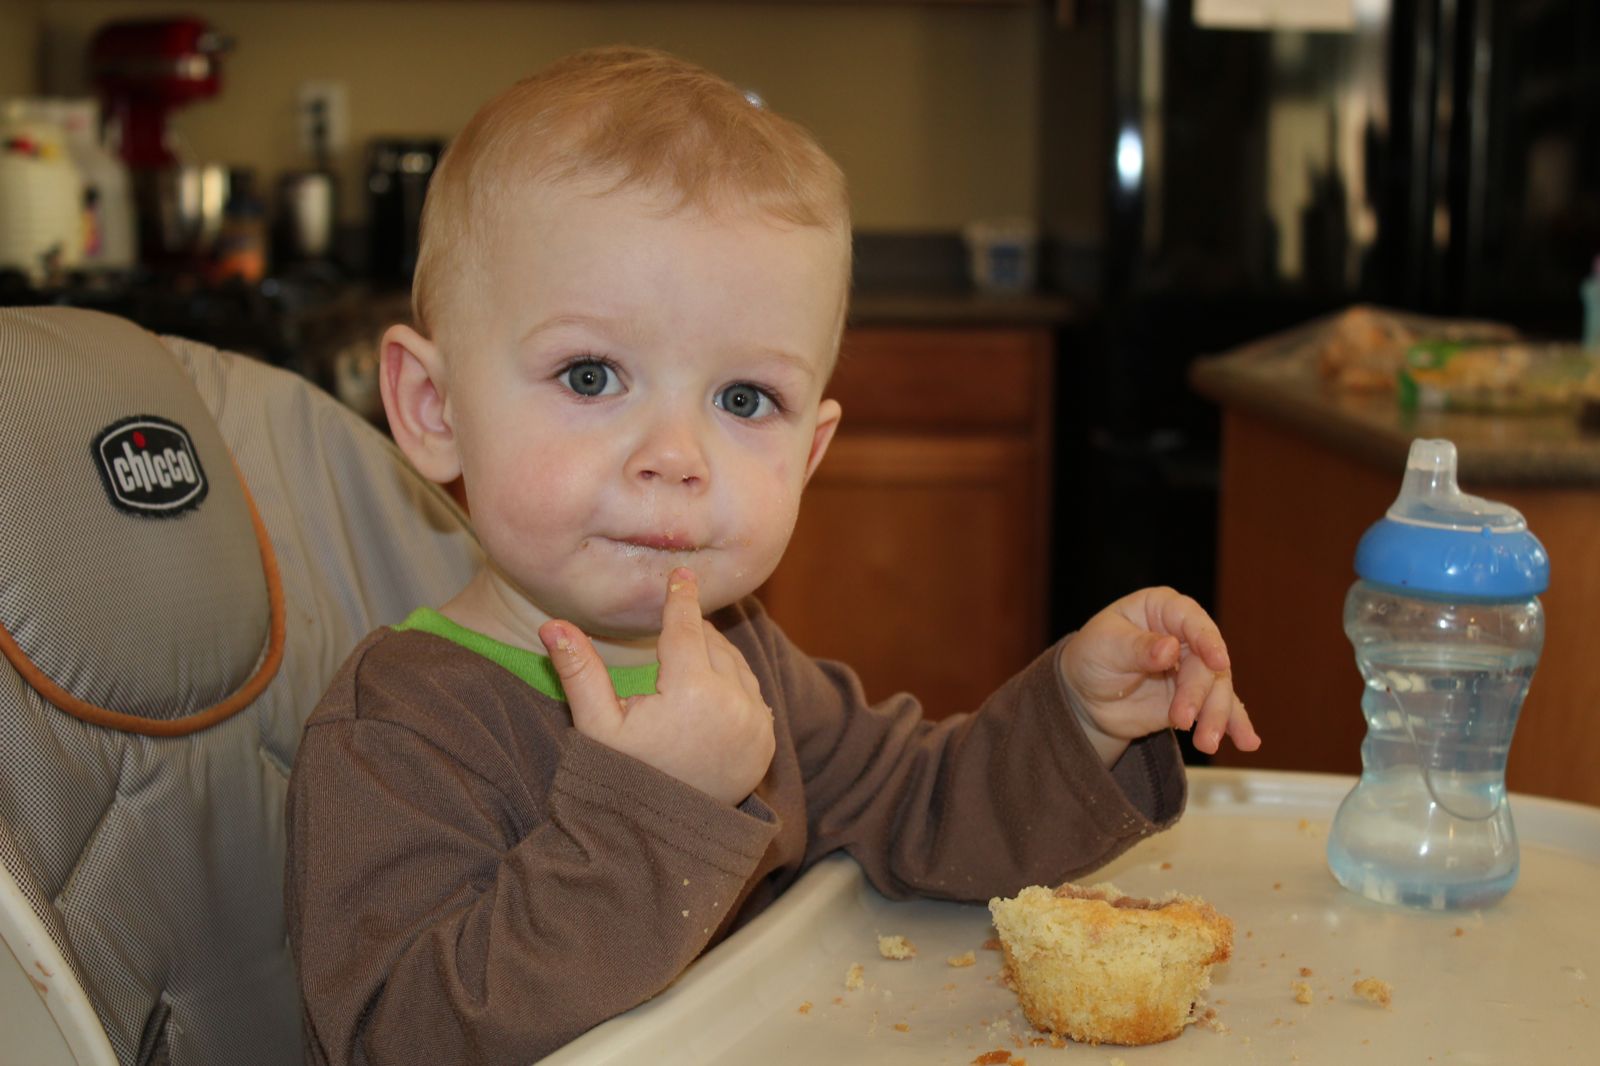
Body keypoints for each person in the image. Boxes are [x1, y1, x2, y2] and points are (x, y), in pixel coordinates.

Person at [284, 45, 1260, 1065]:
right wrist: (655, 810)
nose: (676, 456)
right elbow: (404, 1038)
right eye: (590, 375)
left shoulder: (744, 656)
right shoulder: (399, 731)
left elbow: (922, 811)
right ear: (434, 408)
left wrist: (1080, 721)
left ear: (811, 453)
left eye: (744, 399)